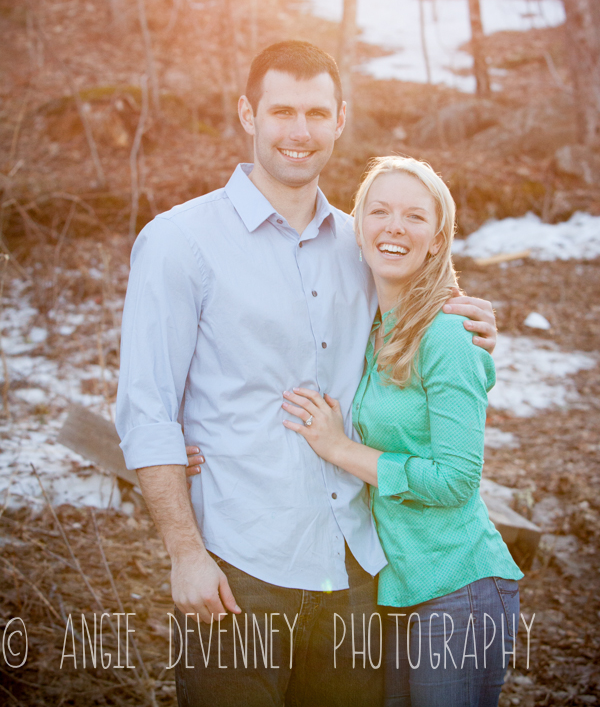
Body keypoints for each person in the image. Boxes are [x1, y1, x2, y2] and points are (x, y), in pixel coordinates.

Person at [115, 40, 497, 707]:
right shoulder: (180, 242)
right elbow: (147, 411)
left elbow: (423, 333)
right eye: (282, 111)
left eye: (317, 113)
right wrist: (185, 553)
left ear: (340, 120)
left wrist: (476, 322)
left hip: (356, 571)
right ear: (248, 114)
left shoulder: (363, 243)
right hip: (240, 570)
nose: (300, 131)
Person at [280, 155, 523, 707]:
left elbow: (456, 480)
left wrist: (340, 449)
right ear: (357, 227)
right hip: (396, 589)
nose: (394, 227)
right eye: (380, 211)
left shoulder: (449, 334)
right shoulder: (370, 329)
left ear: (437, 240)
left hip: (459, 587)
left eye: (415, 216)